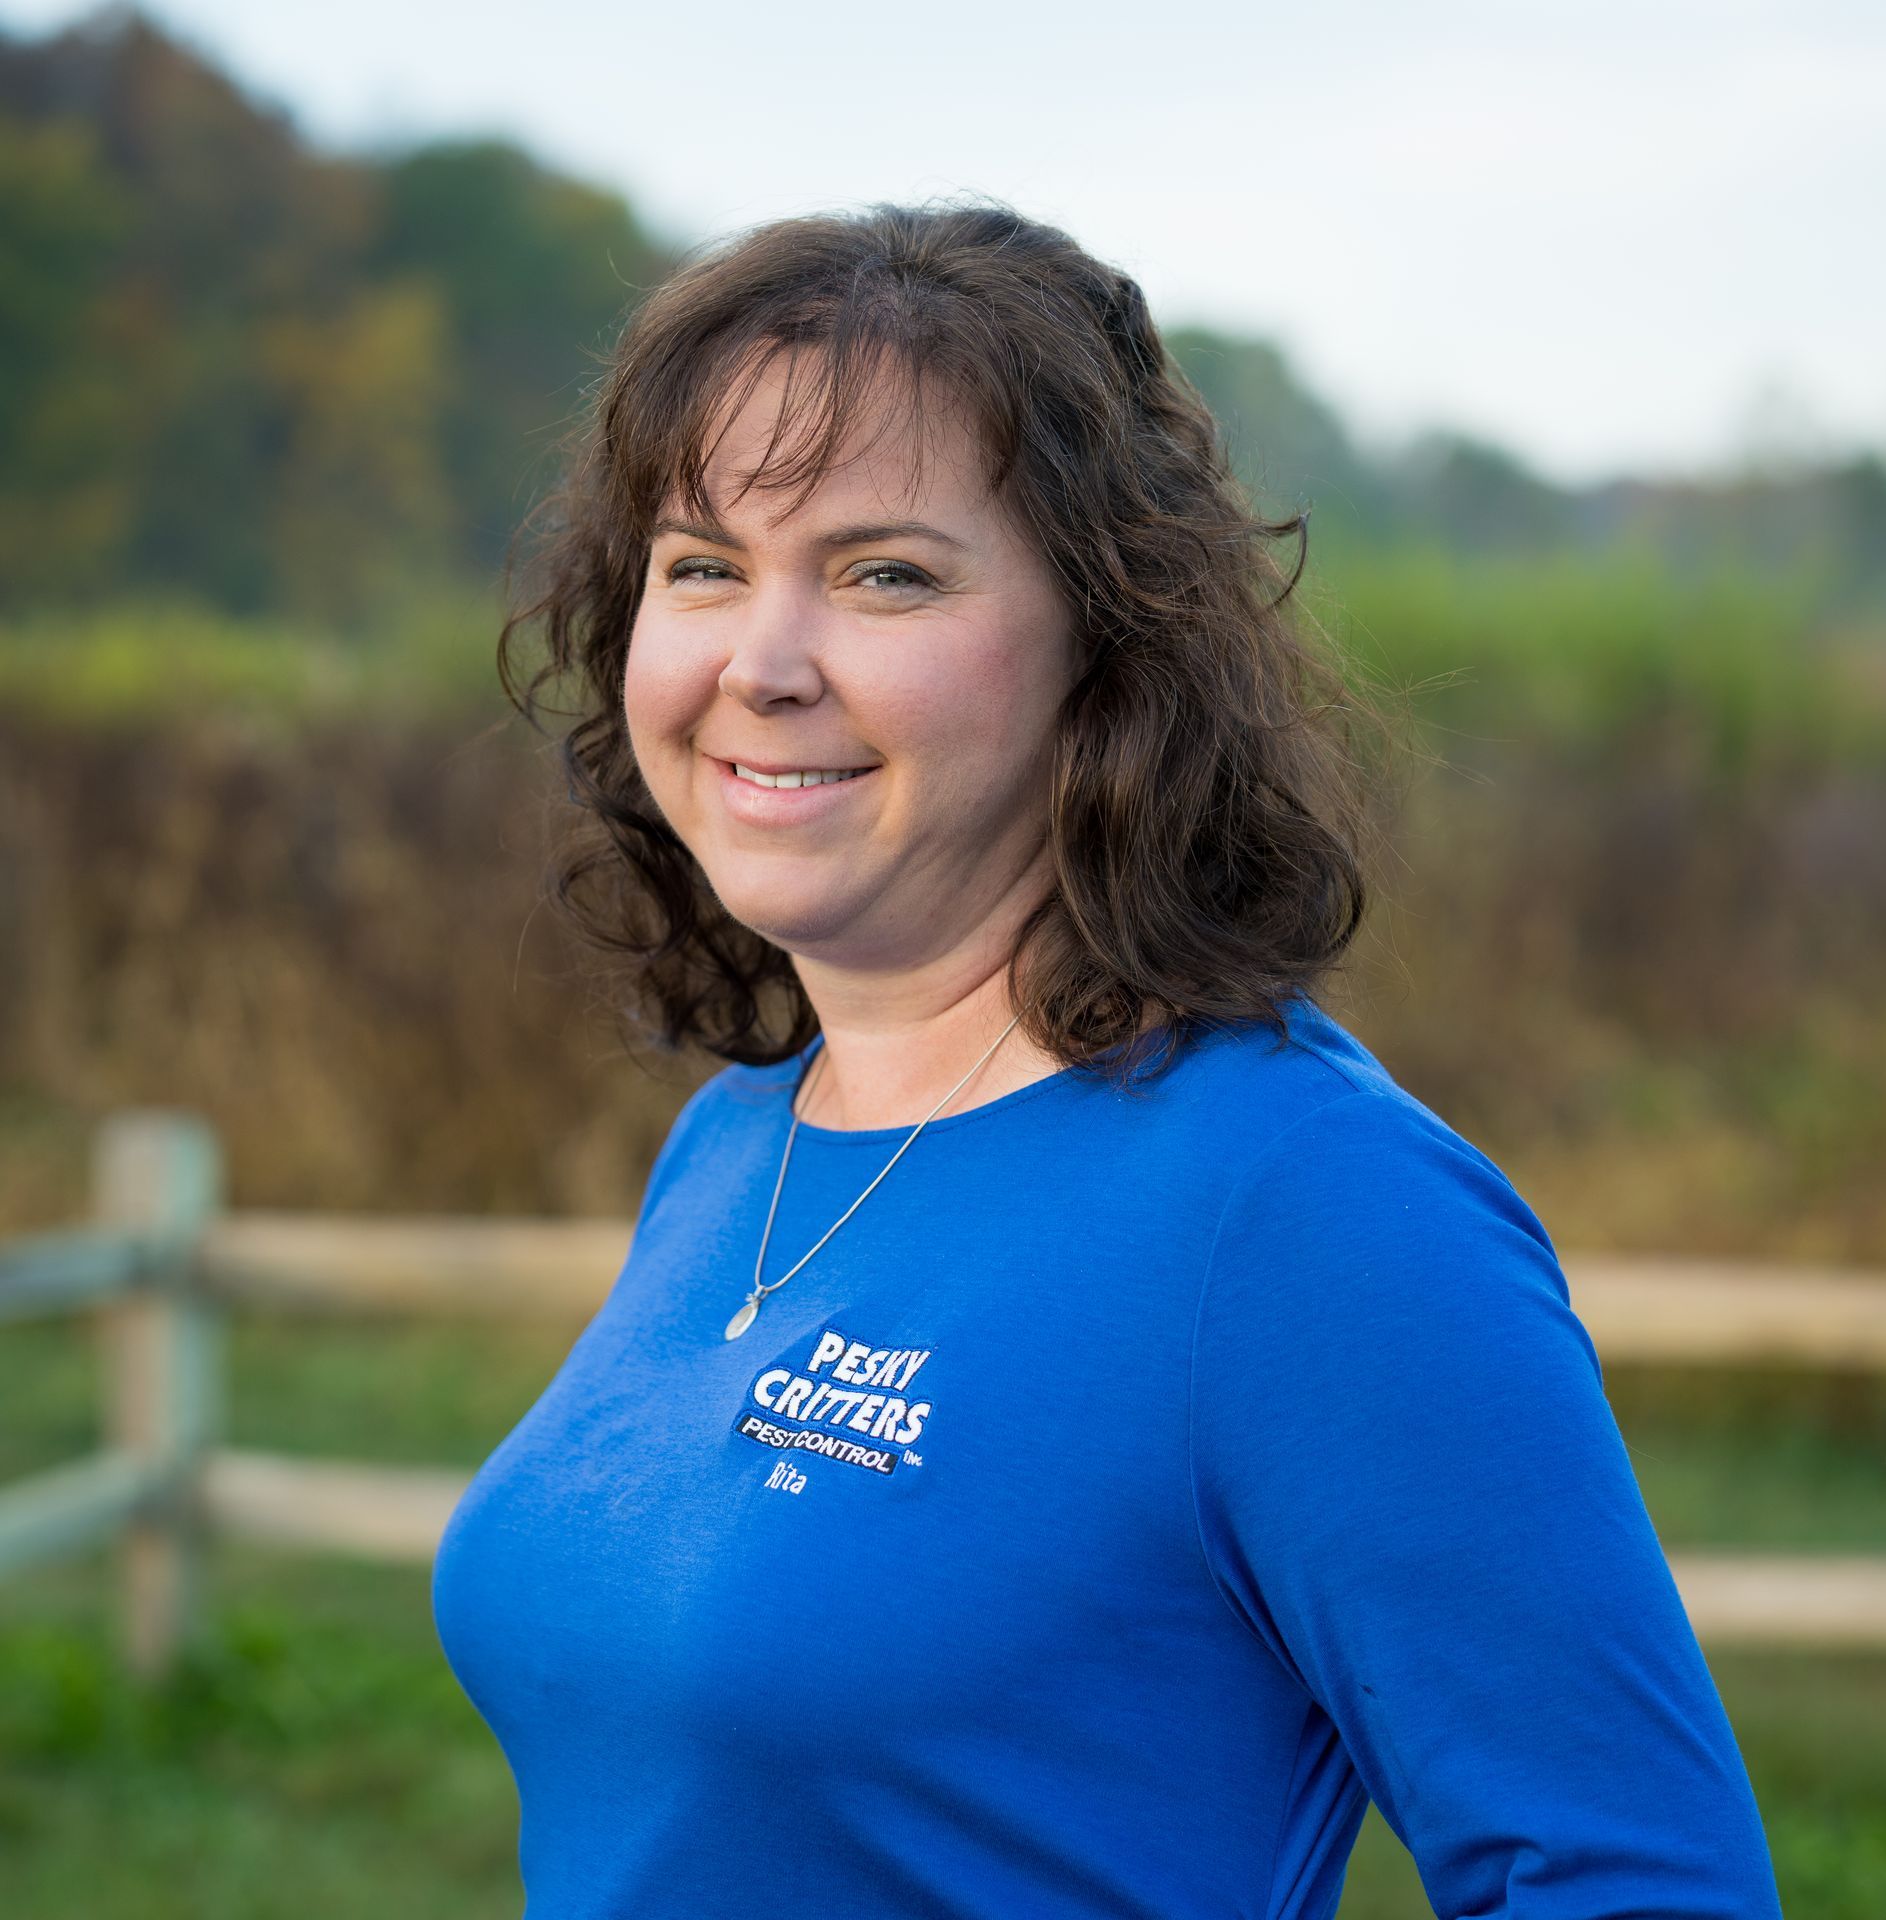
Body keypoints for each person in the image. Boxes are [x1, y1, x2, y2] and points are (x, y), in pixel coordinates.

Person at [430, 199, 1783, 1918]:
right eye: (704, 566)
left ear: (1108, 648)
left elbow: (1636, 1882)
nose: (761, 666)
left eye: (884, 574)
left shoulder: (1304, 1207)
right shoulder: (732, 1148)